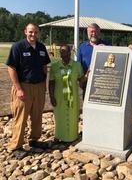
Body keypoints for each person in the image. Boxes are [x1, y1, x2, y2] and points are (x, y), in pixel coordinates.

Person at [6, 23, 51, 155]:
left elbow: (44, 67)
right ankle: (16, 146)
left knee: (37, 116)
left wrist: (44, 84)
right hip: (23, 87)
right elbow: (11, 68)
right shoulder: (18, 47)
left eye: (36, 32)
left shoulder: (42, 47)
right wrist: (18, 88)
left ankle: (34, 140)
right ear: (25, 32)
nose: (33, 34)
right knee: (21, 118)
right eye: (31, 32)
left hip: (39, 86)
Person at [49, 45, 85, 142]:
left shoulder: (77, 65)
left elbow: (81, 79)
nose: (64, 54)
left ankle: (72, 136)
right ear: (60, 53)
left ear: (70, 53)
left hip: (72, 97)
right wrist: (52, 96)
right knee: (59, 116)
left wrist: (88, 74)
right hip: (59, 96)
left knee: (73, 116)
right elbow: (51, 82)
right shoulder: (55, 66)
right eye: (62, 52)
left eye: (66, 52)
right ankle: (59, 135)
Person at [77, 23, 109, 97]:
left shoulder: (107, 45)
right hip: (87, 83)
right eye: (91, 32)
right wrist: (81, 80)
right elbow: (78, 65)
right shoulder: (82, 47)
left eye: (95, 32)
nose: (93, 34)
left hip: (103, 83)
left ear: (99, 33)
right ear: (87, 33)